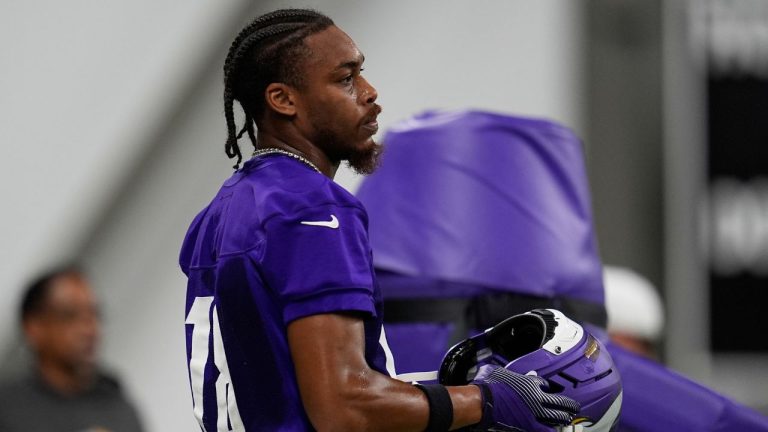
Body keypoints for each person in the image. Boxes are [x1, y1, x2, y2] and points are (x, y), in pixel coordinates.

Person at [179, 8, 579, 432]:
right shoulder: (312, 208)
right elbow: (344, 405)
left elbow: (280, 387)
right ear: (283, 100)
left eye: (362, 73)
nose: (370, 93)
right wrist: (487, 399)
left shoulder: (220, 210)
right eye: (346, 78)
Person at [0, 266, 144, 432]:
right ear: (34, 327)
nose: (90, 329)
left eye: (94, 315)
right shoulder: (8, 409)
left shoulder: (118, 406)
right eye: (70, 315)